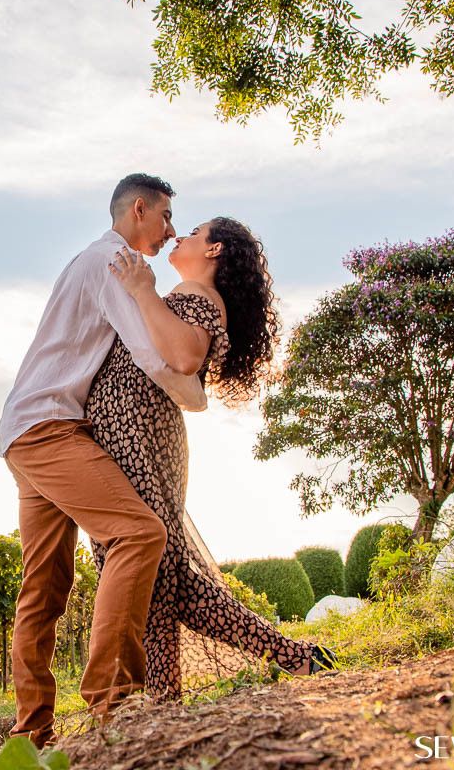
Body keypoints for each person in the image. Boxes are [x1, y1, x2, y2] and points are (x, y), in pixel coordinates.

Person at [86, 216, 337, 701]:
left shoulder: (199, 298)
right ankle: (280, 660)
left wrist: (142, 291)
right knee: (159, 575)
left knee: (149, 573)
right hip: (135, 431)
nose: (180, 235)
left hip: (138, 431)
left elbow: (183, 355)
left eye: (195, 232)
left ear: (215, 249)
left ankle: (163, 701)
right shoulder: (192, 297)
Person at [0, 174, 208, 748]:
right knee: (140, 533)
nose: (169, 232)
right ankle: (115, 706)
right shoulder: (114, 261)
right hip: (49, 428)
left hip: (24, 427)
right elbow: (152, 355)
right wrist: (197, 395)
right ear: (138, 210)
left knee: (43, 587)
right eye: (165, 217)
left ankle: (31, 735)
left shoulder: (85, 260)